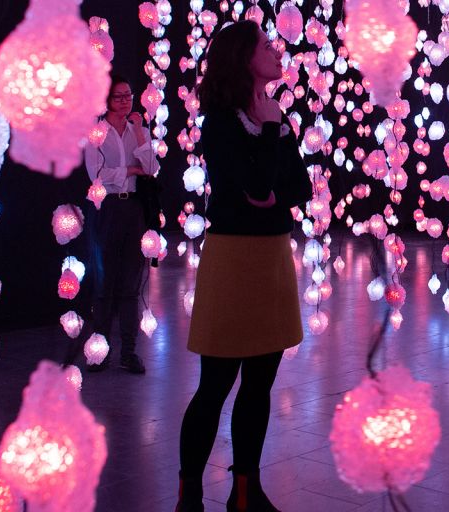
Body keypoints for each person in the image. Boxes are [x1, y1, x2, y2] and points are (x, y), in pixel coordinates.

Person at [176, 20, 309, 512]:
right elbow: (256, 186)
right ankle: (189, 494)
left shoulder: (276, 115)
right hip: (233, 260)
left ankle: (245, 493)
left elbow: (299, 187)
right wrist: (270, 139)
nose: (277, 54)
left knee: (259, 384)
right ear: (241, 57)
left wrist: (271, 186)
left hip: (271, 255)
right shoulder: (221, 122)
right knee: (215, 385)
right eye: (266, 47)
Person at [75, 73, 162, 375]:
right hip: (107, 207)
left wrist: (139, 133)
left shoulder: (139, 129)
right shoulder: (96, 132)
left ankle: (129, 351)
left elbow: (151, 168)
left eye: (129, 95)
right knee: (104, 283)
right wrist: (131, 170)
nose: (126, 101)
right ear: (107, 100)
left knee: (130, 284)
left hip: (134, 210)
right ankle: (99, 350)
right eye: (119, 96)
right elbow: (97, 174)